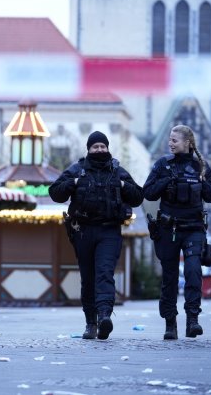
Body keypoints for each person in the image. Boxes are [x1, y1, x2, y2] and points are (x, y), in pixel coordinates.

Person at [49, 131, 143, 340]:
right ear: (89, 149)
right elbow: (55, 192)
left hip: (110, 231)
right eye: (96, 147)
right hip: (83, 231)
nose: (100, 150)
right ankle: (90, 323)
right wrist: (71, 183)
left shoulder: (117, 171)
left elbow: (138, 196)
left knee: (104, 273)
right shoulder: (77, 170)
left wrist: (122, 185)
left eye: (103, 146)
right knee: (88, 278)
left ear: (108, 148)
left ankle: (104, 317)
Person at [142, 124, 211, 340]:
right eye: (170, 139)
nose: (170, 143)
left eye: (175, 140)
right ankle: (170, 323)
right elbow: (147, 193)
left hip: (194, 228)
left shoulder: (201, 167)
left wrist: (204, 183)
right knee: (170, 277)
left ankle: (192, 320)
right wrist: (166, 181)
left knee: (193, 271)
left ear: (188, 143)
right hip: (168, 229)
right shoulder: (163, 165)